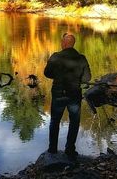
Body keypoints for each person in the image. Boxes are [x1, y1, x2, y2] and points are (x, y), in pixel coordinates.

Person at [44, 32, 91, 160]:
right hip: (74, 94)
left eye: (62, 42)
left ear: (64, 43)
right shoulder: (81, 58)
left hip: (58, 93)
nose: (61, 43)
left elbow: (47, 73)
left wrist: (59, 76)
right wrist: (77, 79)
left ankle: (52, 149)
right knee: (74, 122)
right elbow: (87, 78)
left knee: (55, 121)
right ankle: (70, 149)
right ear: (73, 44)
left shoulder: (55, 56)